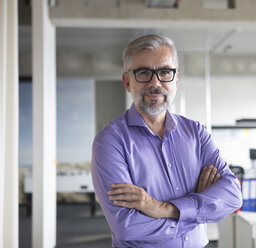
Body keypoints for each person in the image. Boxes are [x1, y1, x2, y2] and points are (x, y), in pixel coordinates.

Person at [91, 34, 242, 248]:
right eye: (143, 72)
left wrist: (163, 208)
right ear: (127, 81)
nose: (155, 83)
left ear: (176, 79)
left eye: (164, 72)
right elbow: (127, 226)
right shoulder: (110, 142)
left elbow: (233, 195)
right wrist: (197, 210)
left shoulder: (196, 133)